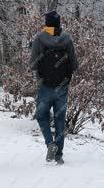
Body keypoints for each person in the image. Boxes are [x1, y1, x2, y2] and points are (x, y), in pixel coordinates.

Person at [29, 11, 78, 165]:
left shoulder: (39, 38)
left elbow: (32, 64)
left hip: (45, 85)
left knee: (41, 116)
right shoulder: (67, 39)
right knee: (60, 120)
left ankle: (50, 144)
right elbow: (75, 64)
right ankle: (59, 155)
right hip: (62, 86)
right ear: (59, 23)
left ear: (46, 23)